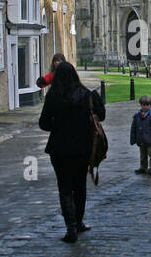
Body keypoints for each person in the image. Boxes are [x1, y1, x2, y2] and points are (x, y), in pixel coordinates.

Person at [39, 60, 105, 242]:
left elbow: (43, 123)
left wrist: (59, 125)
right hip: (82, 148)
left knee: (65, 188)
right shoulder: (86, 94)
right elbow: (102, 115)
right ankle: (78, 222)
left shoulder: (53, 96)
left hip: (59, 148)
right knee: (80, 186)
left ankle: (71, 228)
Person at [131, 94, 151, 174]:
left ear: (150, 105)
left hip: (150, 140)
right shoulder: (137, 115)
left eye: (147, 105)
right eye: (143, 105)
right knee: (142, 155)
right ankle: (143, 167)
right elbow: (133, 128)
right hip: (141, 139)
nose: (145, 107)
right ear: (141, 105)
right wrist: (133, 139)